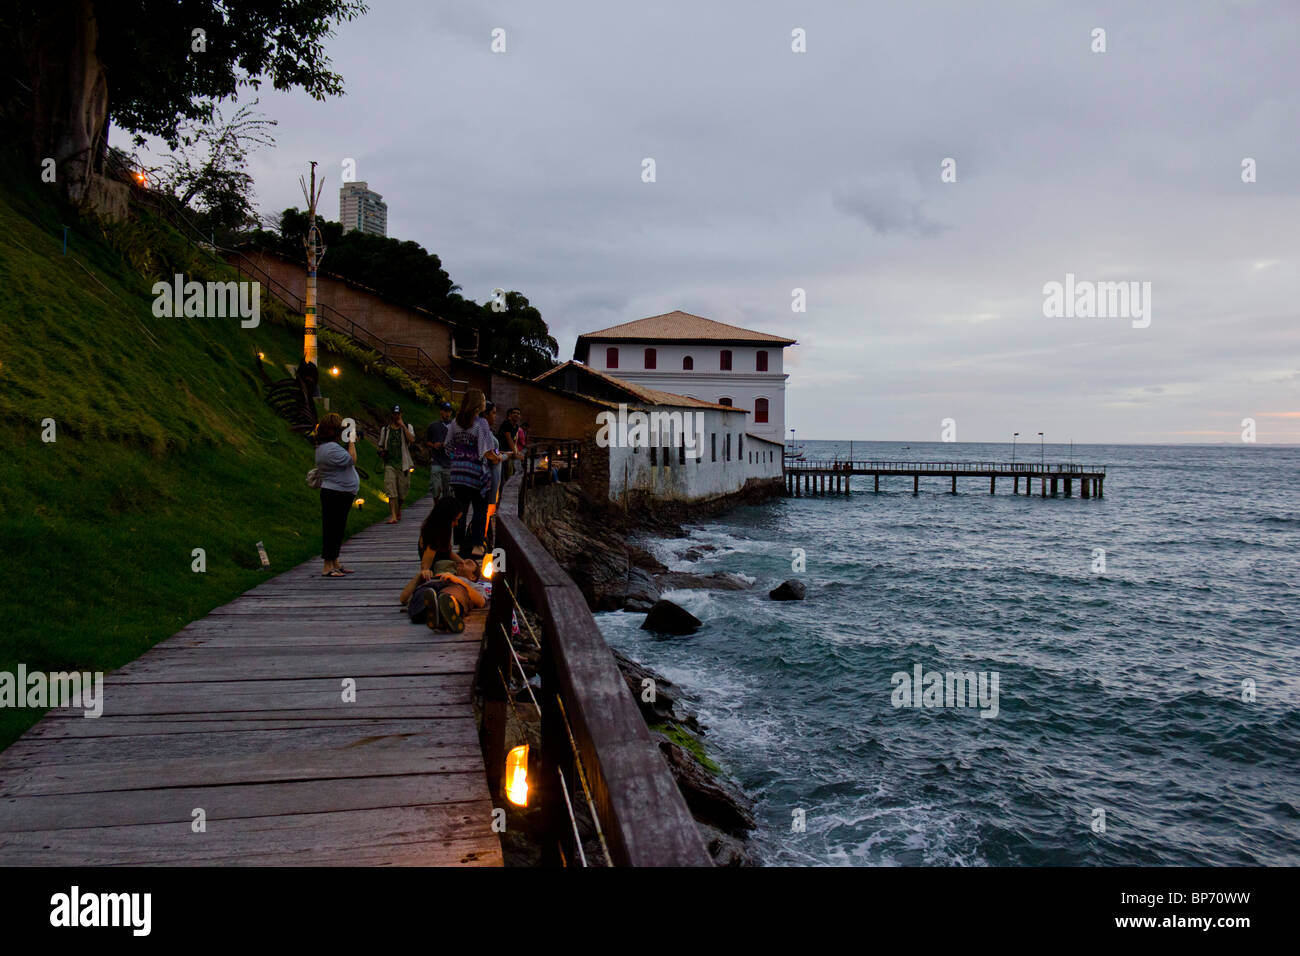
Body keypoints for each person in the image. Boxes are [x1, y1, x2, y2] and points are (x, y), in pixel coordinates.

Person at [400, 499, 485, 631]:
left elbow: (448, 551)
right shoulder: (434, 536)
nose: (456, 524)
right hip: (435, 579)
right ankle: (438, 612)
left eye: (470, 563)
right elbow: (425, 566)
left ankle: (441, 612)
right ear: (445, 519)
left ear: (472, 577)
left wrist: (459, 565)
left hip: (450, 584)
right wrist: (424, 575)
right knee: (425, 594)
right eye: (455, 520)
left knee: (453, 594)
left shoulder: (463, 581)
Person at [446, 388, 501, 559]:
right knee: (480, 509)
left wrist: (459, 457)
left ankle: (460, 544)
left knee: (460, 509)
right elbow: (486, 451)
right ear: (478, 404)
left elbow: (448, 447)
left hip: (457, 473)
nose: (485, 402)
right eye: (484, 399)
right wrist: (497, 459)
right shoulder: (481, 424)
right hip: (476, 474)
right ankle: (477, 545)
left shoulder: (455, 422)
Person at [314, 412, 358, 578]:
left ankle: (334, 562)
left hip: (338, 492)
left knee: (337, 529)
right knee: (332, 529)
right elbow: (352, 459)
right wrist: (352, 442)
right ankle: (327, 566)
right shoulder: (331, 449)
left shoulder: (323, 447)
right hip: (336, 493)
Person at [379, 405, 415, 524]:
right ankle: (393, 516)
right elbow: (381, 444)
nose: (397, 416)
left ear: (401, 414)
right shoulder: (386, 429)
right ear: (392, 415)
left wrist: (403, 425)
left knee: (402, 492)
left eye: (398, 414)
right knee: (391, 489)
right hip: (390, 463)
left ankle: (398, 509)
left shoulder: (408, 426)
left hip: (403, 464)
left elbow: (412, 440)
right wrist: (381, 451)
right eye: (395, 414)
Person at [425, 401, 454, 500]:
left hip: (449, 461)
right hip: (436, 460)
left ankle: (444, 510)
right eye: (445, 411)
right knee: (435, 487)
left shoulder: (454, 426)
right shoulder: (433, 426)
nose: (448, 413)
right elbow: (427, 442)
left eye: (449, 411)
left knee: (448, 490)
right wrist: (433, 445)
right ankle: (436, 506)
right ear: (441, 411)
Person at [497, 406, 523, 481]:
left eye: (518, 413)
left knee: (509, 473)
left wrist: (517, 452)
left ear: (520, 416)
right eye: (514, 413)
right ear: (510, 415)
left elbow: (514, 441)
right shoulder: (506, 423)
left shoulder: (517, 427)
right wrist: (515, 454)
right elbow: (509, 439)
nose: (516, 414)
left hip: (508, 451)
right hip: (501, 450)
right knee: (502, 474)